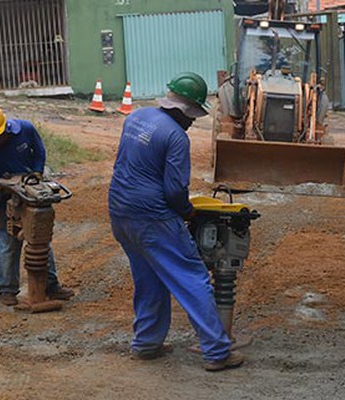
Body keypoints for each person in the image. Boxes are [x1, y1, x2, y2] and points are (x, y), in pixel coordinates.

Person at [108, 72, 244, 371]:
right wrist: (187, 213)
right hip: (152, 217)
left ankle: (146, 343)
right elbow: (173, 191)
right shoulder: (175, 137)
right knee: (191, 277)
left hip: (120, 212)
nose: (192, 122)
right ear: (184, 112)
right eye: (192, 117)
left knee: (149, 276)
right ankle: (217, 352)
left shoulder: (136, 118)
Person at [0, 104, 74, 306]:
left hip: (30, 192)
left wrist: (38, 171)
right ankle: (7, 290)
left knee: (40, 239)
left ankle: (50, 285)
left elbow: (39, 151)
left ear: (6, 127)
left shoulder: (26, 129)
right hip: (3, 197)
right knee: (7, 242)